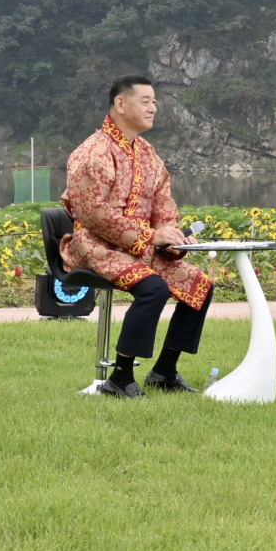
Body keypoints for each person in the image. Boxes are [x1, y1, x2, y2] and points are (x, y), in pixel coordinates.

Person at [60, 75, 212, 397]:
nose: (153, 108)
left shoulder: (147, 152)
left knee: (199, 284)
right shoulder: (92, 152)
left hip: (140, 247)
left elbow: (163, 201)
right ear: (120, 103)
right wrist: (149, 236)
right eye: (145, 101)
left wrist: (171, 237)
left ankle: (164, 372)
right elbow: (92, 213)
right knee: (153, 288)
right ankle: (120, 378)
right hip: (95, 244)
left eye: (154, 102)